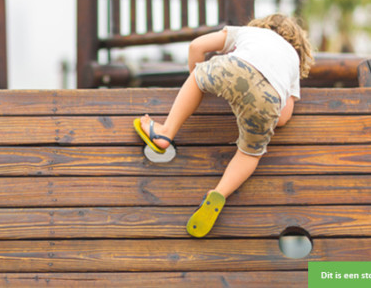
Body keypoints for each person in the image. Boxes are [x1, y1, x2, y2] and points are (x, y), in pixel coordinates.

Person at [133, 13, 314, 237]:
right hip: (268, 99)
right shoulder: (293, 61)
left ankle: (165, 132)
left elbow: (196, 46)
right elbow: (284, 116)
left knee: (198, 77)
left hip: (232, 69)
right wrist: (256, 115)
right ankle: (219, 193)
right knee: (249, 154)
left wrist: (200, 83)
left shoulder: (249, 32)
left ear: (263, 25)